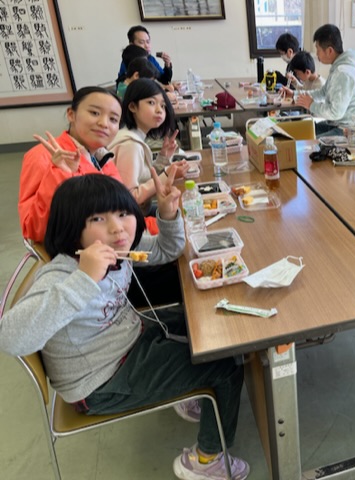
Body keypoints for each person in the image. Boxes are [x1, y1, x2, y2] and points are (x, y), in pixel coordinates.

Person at [0, 173, 250, 480]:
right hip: (101, 383)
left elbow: (166, 251)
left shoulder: (118, 247)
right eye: (97, 219)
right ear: (71, 227)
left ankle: (189, 391)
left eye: (122, 213)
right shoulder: (62, 275)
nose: (117, 228)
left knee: (206, 322)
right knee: (225, 363)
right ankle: (206, 460)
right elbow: (10, 337)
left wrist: (167, 215)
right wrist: (84, 279)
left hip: (129, 340)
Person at [19, 86, 123, 243]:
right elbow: (34, 229)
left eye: (113, 119)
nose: (104, 123)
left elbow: (122, 211)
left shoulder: (103, 158)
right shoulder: (42, 156)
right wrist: (61, 174)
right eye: (94, 113)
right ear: (71, 114)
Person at [109, 78, 189, 216]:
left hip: (140, 211)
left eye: (163, 105)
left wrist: (163, 157)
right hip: (131, 219)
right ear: (132, 107)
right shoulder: (130, 145)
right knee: (185, 214)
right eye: (151, 102)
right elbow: (130, 198)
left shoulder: (132, 136)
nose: (159, 110)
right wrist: (167, 175)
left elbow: (143, 178)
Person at [285, 24, 355, 137]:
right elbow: (322, 93)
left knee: (307, 141)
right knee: (300, 130)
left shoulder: (343, 72)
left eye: (318, 49)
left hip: (346, 129)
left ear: (329, 51)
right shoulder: (339, 67)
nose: (317, 53)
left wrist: (311, 105)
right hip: (334, 123)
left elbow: (335, 112)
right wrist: (295, 94)